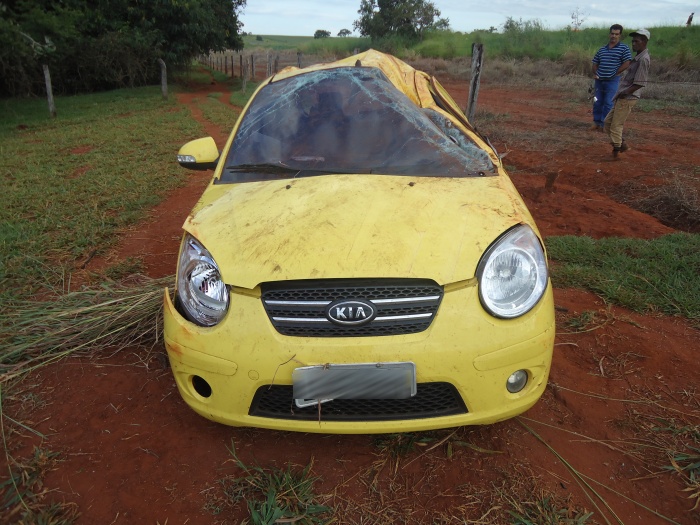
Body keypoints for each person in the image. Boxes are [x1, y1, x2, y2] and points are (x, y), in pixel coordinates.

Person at [604, 29, 651, 159]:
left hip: (628, 96)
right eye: (633, 41)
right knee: (607, 123)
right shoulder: (638, 58)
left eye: (637, 41)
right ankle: (622, 144)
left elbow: (640, 83)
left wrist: (625, 92)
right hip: (624, 95)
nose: (633, 44)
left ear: (645, 42)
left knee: (615, 125)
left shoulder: (643, 60)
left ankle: (616, 151)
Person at [590, 24, 632, 131]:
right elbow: (595, 62)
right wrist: (595, 73)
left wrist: (616, 73)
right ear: (609, 34)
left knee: (609, 102)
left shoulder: (624, 48)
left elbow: (627, 63)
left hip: (612, 80)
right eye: (612, 33)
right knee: (597, 101)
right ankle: (596, 122)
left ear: (620, 35)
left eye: (616, 34)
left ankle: (605, 124)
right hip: (599, 80)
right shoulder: (602, 49)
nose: (614, 36)